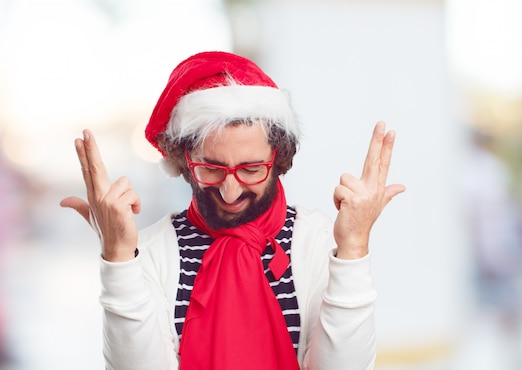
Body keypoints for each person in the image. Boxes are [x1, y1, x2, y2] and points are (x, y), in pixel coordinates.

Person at [61, 51, 405, 370]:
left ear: (278, 159)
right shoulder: (150, 253)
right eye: (210, 169)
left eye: (251, 169)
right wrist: (119, 258)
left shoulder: (319, 242)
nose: (230, 190)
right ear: (184, 160)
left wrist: (354, 249)